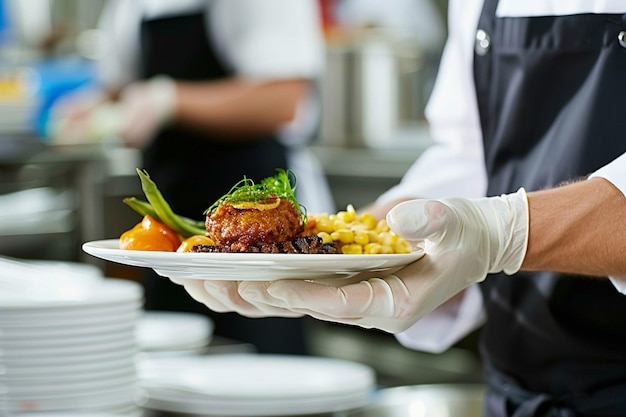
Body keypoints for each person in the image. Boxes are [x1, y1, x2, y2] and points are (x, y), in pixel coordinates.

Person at [169, 0, 626, 415]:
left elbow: (486, 219)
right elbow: (468, 153)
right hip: (517, 385)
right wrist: (366, 239)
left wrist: (501, 232)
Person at [50, 0, 335, 355]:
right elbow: (119, 82)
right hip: (171, 229)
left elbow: (282, 99)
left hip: (258, 231)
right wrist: (92, 106)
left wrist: (170, 101)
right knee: (169, 361)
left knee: (260, 355)